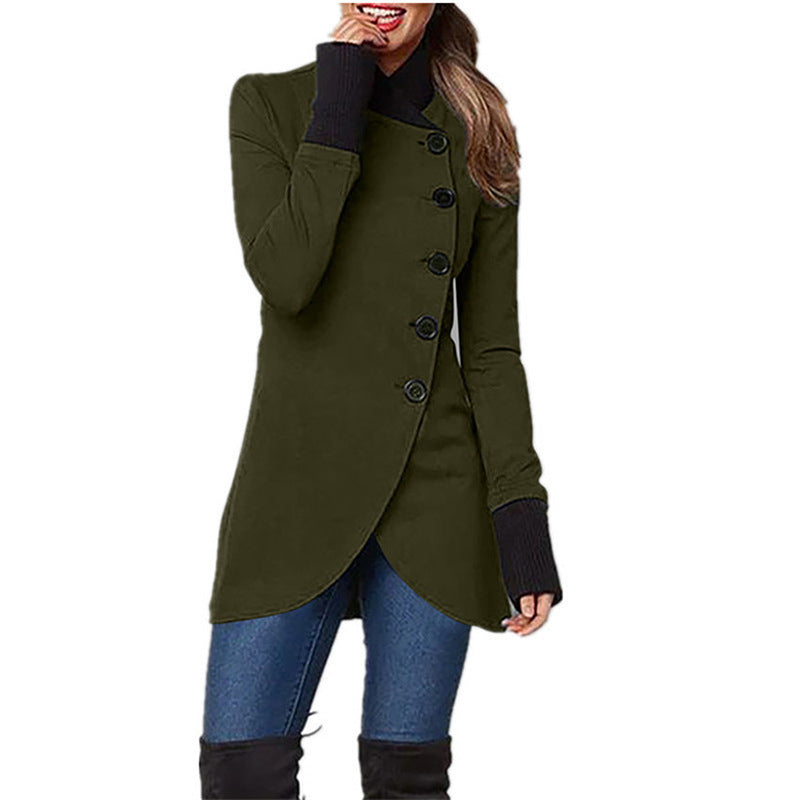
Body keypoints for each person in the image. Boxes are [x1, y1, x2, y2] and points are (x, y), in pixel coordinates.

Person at [199, 4, 563, 798]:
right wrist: (340, 99)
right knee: (241, 773)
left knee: (407, 781)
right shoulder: (270, 102)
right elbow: (286, 279)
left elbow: (492, 349)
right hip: (295, 484)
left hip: (433, 493)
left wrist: (520, 513)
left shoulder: (478, 127)